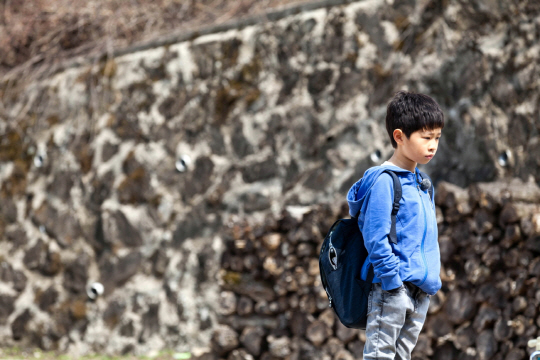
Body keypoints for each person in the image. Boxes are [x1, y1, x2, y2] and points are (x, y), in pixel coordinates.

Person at [347, 91, 444, 359]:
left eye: (437, 137)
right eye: (426, 137)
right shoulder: (384, 182)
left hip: (420, 291)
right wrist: (392, 285)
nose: (433, 145)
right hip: (391, 288)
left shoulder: (423, 184)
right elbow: (375, 239)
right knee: (380, 355)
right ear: (399, 136)